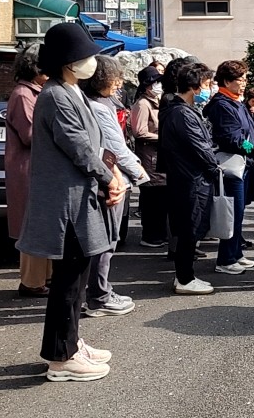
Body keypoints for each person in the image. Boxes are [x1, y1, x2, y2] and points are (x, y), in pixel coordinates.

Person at [17, 22, 122, 382]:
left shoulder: (68, 89)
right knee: (69, 281)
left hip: (77, 198)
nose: (92, 62)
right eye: (86, 56)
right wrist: (109, 178)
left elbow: (90, 144)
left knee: (75, 278)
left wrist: (109, 173)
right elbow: (78, 147)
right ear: (67, 61)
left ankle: (69, 343)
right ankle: (61, 358)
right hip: (67, 204)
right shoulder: (56, 95)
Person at [82, 55, 147, 317]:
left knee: (105, 240)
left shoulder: (96, 102)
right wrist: (139, 172)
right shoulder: (98, 107)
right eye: (115, 78)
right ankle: (99, 296)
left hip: (107, 176)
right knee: (106, 240)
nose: (119, 83)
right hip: (110, 179)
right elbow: (115, 147)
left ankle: (97, 293)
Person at [160, 61, 220, 295]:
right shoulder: (181, 113)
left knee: (189, 228)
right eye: (206, 84)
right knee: (189, 229)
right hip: (190, 179)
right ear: (194, 87)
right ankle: (185, 277)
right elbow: (201, 148)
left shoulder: (181, 110)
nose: (209, 88)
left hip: (187, 177)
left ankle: (185, 276)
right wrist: (214, 168)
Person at [202, 60, 254, 276]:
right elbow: (232, 138)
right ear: (227, 81)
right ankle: (225, 259)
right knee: (231, 213)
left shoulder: (236, 102)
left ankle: (235, 253)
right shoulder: (222, 105)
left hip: (242, 164)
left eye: (245, 79)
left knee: (239, 212)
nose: (244, 83)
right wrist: (253, 149)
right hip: (230, 165)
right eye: (240, 80)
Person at [6, 44, 52, 298]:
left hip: (37, 167)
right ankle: (32, 282)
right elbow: (30, 135)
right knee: (32, 226)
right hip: (28, 168)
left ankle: (44, 276)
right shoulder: (24, 94)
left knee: (42, 224)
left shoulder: (35, 92)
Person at [129, 65, 167, 248]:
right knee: (152, 199)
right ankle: (150, 235)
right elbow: (139, 131)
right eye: (155, 82)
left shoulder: (157, 102)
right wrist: (163, 137)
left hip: (158, 156)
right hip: (149, 157)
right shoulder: (143, 104)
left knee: (160, 199)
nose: (158, 85)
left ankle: (159, 233)